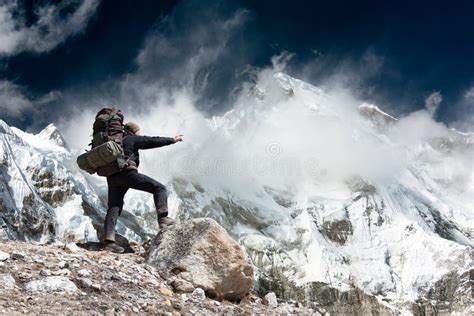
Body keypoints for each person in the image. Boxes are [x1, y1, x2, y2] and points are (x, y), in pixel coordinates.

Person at [103, 121, 183, 253]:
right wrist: (172, 140)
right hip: (127, 174)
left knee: (114, 207)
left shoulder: (115, 142)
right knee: (159, 188)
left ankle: (109, 242)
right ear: (135, 131)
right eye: (138, 131)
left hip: (112, 178)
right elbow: (151, 141)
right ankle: (163, 219)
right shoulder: (131, 139)